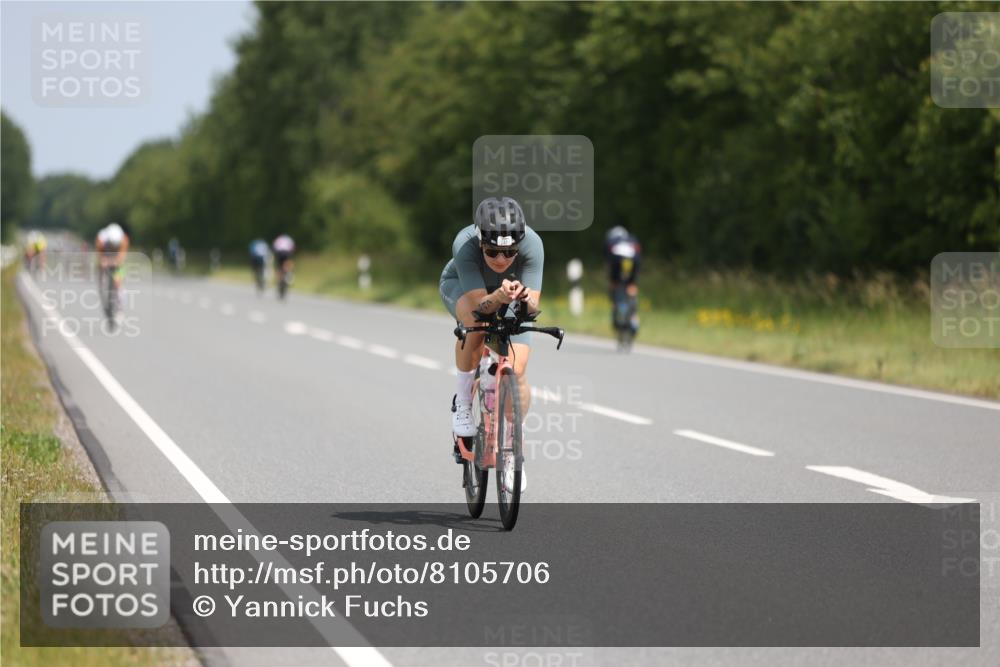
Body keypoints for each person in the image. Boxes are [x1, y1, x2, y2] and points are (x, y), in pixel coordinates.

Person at [439, 196, 543, 487]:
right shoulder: (465, 243)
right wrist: (497, 297)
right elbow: (478, 306)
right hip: (462, 289)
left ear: (520, 244)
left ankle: (512, 449)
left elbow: (533, 308)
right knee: (477, 325)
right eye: (493, 251)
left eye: (510, 252)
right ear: (481, 242)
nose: (501, 259)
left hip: (509, 296)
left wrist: (524, 299)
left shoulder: (534, 245)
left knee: (518, 368)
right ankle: (462, 402)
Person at [604, 226, 641, 343]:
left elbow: (608, 262)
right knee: (631, 285)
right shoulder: (632, 239)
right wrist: (632, 280)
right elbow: (639, 257)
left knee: (614, 285)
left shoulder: (610, 241)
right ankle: (634, 316)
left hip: (616, 261)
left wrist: (613, 281)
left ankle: (615, 306)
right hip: (633, 260)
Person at [95, 223, 130, 312]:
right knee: (101, 267)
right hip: (105, 253)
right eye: (111, 245)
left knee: (118, 280)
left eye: (115, 245)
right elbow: (100, 254)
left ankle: (119, 302)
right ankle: (102, 285)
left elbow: (122, 257)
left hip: (117, 257)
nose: (113, 247)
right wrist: (103, 261)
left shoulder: (124, 239)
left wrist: (116, 262)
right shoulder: (101, 238)